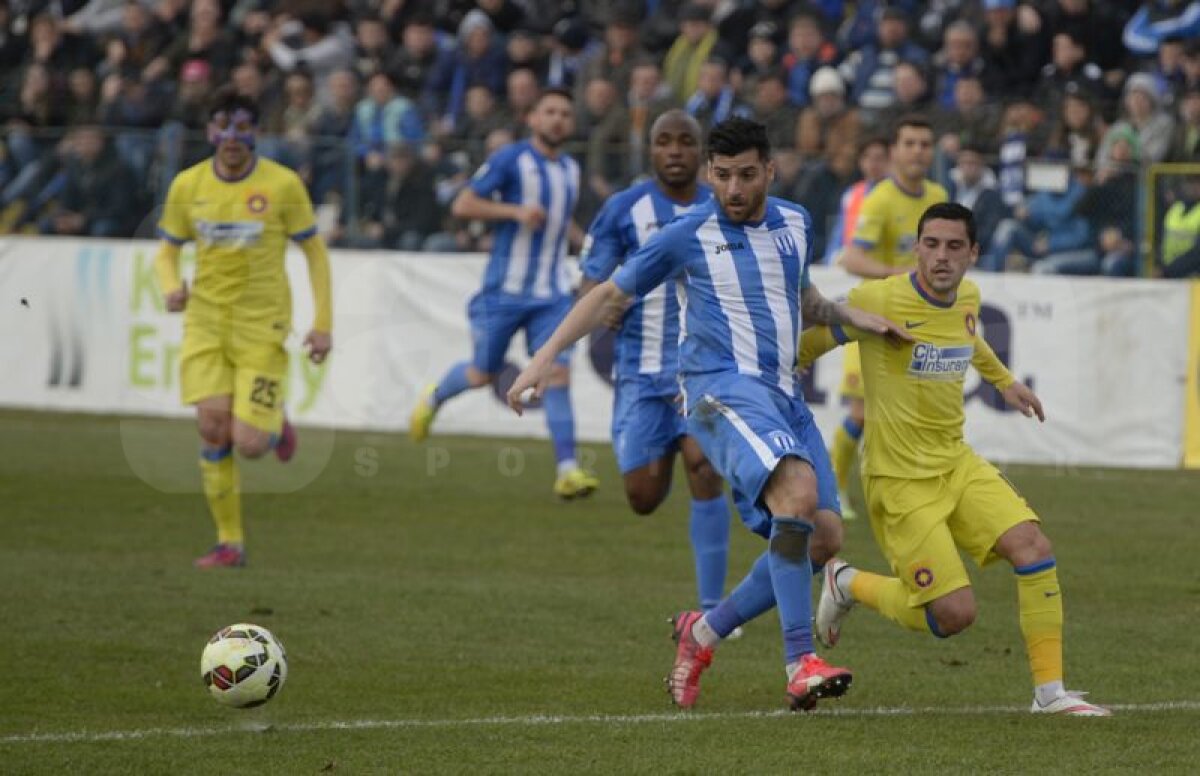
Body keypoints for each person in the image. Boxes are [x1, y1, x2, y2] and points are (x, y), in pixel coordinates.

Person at [506, 117, 910, 711]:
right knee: (795, 498)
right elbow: (609, 295)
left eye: (747, 175)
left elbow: (804, 300)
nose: (734, 189)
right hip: (718, 389)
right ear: (709, 175)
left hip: (782, 394)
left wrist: (854, 317)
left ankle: (704, 632)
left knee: (822, 537)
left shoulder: (795, 221)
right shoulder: (686, 232)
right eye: (721, 177)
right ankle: (800, 663)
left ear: (770, 170)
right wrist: (544, 356)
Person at [803, 202, 1111, 717]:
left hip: (957, 462)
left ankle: (1050, 694)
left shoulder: (967, 295)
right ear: (916, 247)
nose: (940, 257)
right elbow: (811, 341)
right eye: (931, 244)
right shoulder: (879, 298)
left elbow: (970, 336)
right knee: (952, 615)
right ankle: (848, 582)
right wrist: (764, 384)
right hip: (899, 481)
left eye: (953, 246)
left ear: (973, 254)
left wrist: (1005, 381)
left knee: (1032, 545)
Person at [154, 90, 333, 569]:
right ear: (209, 131)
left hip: (262, 325)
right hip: (206, 324)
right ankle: (229, 543)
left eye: (242, 126)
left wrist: (322, 325)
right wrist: (171, 286)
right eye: (221, 126)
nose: (231, 137)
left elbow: (315, 253)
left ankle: (274, 426)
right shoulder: (187, 186)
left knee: (250, 444)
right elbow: (167, 250)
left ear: (255, 132)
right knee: (213, 429)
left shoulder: (282, 185)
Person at [577, 110, 737, 617]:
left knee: (704, 466)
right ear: (650, 151)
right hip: (641, 375)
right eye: (664, 142)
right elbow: (590, 281)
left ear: (702, 154)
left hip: (703, 370)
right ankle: (664, 443)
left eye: (685, 142)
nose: (674, 151)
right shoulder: (624, 209)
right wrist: (605, 304)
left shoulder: (724, 208)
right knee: (643, 496)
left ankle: (713, 609)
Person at [408, 88, 598, 500]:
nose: (558, 119)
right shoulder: (511, 160)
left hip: (551, 294)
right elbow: (463, 204)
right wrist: (513, 212)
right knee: (482, 374)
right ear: (532, 118)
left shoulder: (570, 169)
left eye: (565, 113)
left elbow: (558, 223)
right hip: (503, 293)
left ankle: (567, 469)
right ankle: (436, 395)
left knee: (558, 373)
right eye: (549, 111)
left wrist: (587, 245)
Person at [835, 115, 947, 520]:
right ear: (896, 151)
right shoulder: (881, 199)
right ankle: (834, 487)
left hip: (919, 322)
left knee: (919, 413)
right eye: (911, 143)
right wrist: (900, 276)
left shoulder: (937, 194)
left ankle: (913, 494)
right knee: (862, 413)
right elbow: (851, 257)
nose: (919, 151)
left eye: (925, 143)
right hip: (874, 320)